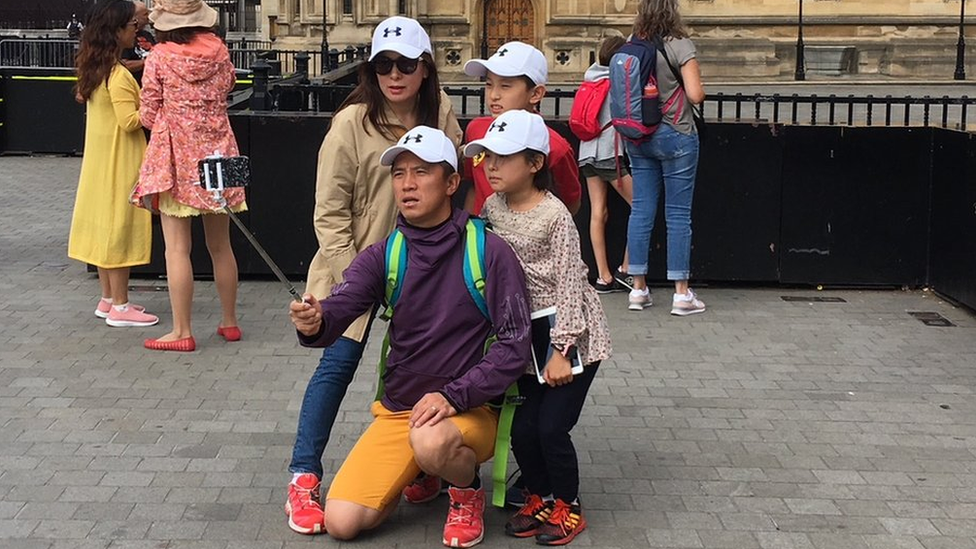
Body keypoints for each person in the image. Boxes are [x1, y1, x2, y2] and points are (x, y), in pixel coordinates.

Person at [289, 126, 532, 548]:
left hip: (467, 412)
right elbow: (338, 309)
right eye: (399, 174)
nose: (407, 184)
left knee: (431, 440)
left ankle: (463, 490)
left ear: (452, 182)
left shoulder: (490, 251)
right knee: (343, 522)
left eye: (421, 172)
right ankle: (422, 470)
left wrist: (452, 396)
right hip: (400, 412)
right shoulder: (386, 253)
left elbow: (515, 345)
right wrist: (315, 321)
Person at [285, 16, 464, 536]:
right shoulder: (351, 123)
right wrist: (357, 281)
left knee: (429, 367)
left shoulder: (442, 113)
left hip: (424, 269)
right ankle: (303, 476)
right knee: (336, 367)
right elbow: (329, 214)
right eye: (383, 64)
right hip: (354, 269)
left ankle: (422, 466)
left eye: (406, 64)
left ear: (425, 69)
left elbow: (454, 188)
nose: (394, 74)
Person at [467, 109, 611, 546]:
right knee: (523, 427)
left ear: (534, 164)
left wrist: (563, 350)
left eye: (504, 157)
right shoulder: (491, 206)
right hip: (524, 335)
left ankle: (568, 504)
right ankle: (538, 494)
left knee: (551, 427)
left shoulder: (555, 216)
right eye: (487, 156)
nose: (491, 166)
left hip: (571, 333)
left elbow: (572, 281)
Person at [130, 0, 245, 351]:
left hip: (177, 156)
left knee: (177, 248)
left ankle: (182, 330)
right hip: (220, 151)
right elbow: (229, 88)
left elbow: (148, 113)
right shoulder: (221, 52)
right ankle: (229, 322)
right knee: (221, 245)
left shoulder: (160, 57)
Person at [67, 0, 159, 329]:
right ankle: (121, 305)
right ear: (117, 31)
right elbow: (131, 122)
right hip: (121, 163)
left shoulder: (95, 68)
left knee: (105, 232)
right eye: (132, 26)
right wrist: (154, 106)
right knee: (120, 232)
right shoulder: (119, 75)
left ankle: (108, 298)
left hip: (99, 163)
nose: (136, 31)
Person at [623, 0, 707, 315]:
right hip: (676, 135)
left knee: (641, 211)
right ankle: (681, 294)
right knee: (678, 215)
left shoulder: (633, 43)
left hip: (640, 136)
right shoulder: (679, 43)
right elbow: (696, 94)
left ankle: (639, 288)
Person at [461, 42, 581, 216]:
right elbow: (474, 185)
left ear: (535, 94)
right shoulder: (476, 130)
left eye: (505, 86)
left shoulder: (555, 147)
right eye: (488, 84)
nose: (494, 95)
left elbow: (570, 203)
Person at [578, 35, 634, 294]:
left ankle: (603, 276)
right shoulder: (618, 82)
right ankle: (626, 269)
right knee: (641, 206)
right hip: (609, 153)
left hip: (586, 152)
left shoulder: (589, 79)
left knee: (597, 212)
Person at [121, 1, 156, 86]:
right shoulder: (125, 38)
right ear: (134, 17)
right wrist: (149, 61)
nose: (148, 17)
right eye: (145, 14)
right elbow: (124, 65)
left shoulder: (147, 35)